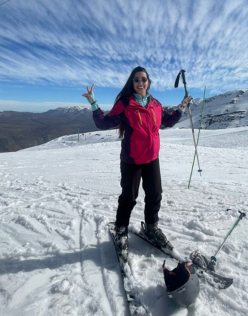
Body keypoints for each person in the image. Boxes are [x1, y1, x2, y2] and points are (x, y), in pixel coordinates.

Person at [82, 66, 192, 251]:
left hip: (152, 158)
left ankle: (151, 227)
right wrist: (93, 103)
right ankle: (120, 229)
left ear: (148, 82)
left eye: (143, 79)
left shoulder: (155, 104)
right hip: (132, 159)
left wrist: (181, 107)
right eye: (137, 80)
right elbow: (104, 122)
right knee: (129, 197)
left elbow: (168, 121)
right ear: (132, 83)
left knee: (155, 194)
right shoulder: (125, 104)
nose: (140, 82)